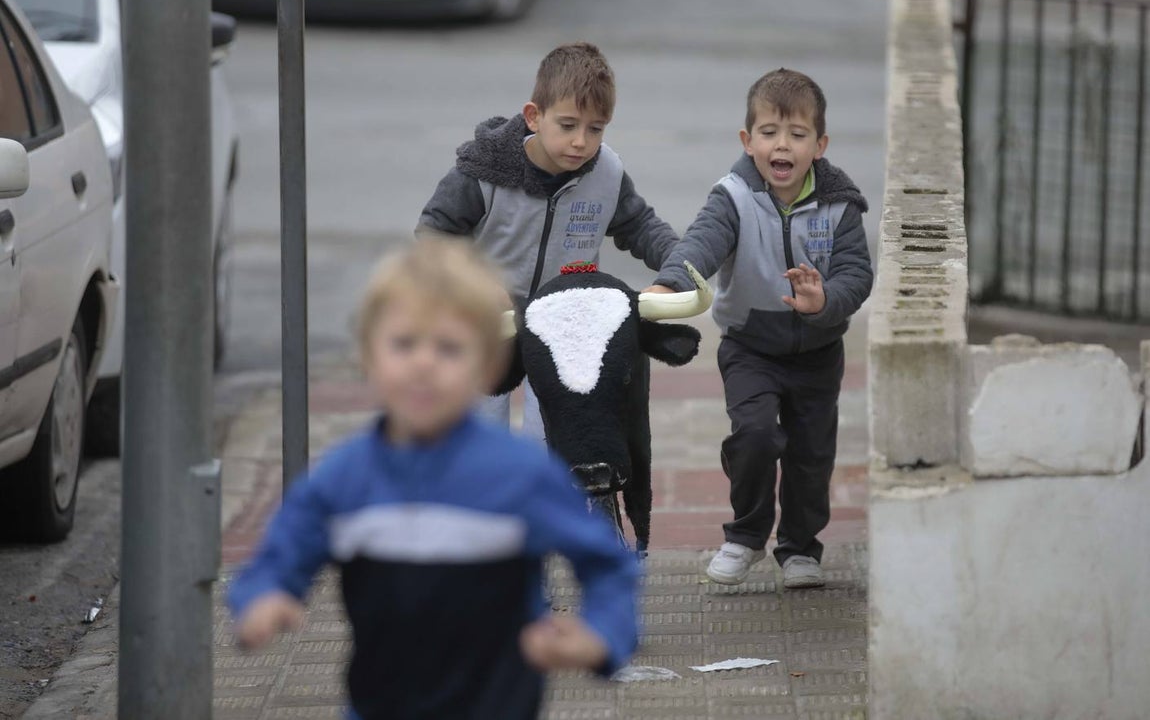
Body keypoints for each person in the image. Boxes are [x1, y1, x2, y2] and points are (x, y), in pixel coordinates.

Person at [228, 238, 641, 720]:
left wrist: (601, 633)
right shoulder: (345, 477)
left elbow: (608, 564)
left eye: (448, 348)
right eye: (404, 344)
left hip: (497, 706)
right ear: (368, 357)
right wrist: (264, 596)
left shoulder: (522, 475)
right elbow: (282, 552)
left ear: (487, 366)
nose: (424, 363)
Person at [643, 68, 873, 589]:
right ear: (748, 142)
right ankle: (745, 535)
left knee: (811, 456)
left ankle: (799, 549)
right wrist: (670, 282)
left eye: (796, 134)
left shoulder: (839, 204)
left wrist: (825, 301)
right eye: (769, 132)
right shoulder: (733, 197)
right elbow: (700, 242)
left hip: (819, 350)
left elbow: (857, 274)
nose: (781, 145)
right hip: (750, 347)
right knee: (755, 434)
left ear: (820, 144)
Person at [416, 41, 679, 436]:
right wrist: (474, 287)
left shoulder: (606, 173)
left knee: (555, 441)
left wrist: (678, 267)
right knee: (481, 438)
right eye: (568, 125)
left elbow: (641, 226)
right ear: (534, 116)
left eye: (596, 129)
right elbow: (433, 233)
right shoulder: (483, 169)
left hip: (563, 321)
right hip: (487, 321)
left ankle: (547, 492)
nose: (581, 142)